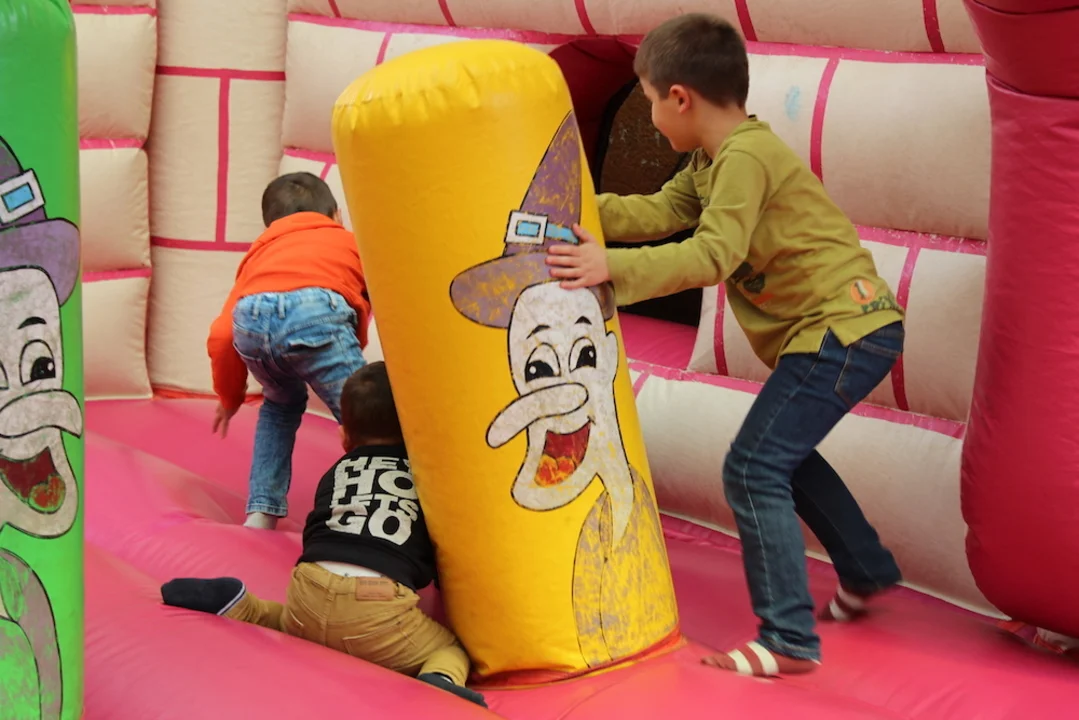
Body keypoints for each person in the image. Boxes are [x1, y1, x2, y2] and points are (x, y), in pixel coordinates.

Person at [545, 13, 905, 677]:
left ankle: (787, 638)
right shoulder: (711, 160)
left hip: (842, 329)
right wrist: (574, 209)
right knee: (781, 455)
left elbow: (712, 255)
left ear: (679, 97)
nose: (651, 116)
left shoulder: (745, 157)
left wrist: (608, 268)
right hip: (843, 330)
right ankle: (866, 568)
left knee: (752, 466)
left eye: (649, 101)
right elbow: (660, 211)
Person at [160, 363, 487, 707]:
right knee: (450, 649)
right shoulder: (427, 477)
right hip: (378, 608)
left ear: (345, 438)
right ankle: (439, 679)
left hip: (309, 585)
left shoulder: (338, 471)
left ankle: (243, 606)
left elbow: (319, 529)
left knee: (292, 620)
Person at [207, 172, 370, 530]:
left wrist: (230, 397)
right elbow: (372, 299)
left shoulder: (259, 255)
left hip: (252, 322)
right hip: (315, 312)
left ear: (271, 225)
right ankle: (378, 505)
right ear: (336, 214)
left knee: (279, 405)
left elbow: (222, 333)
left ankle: (261, 511)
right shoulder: (347, 241)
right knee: (367, 419)